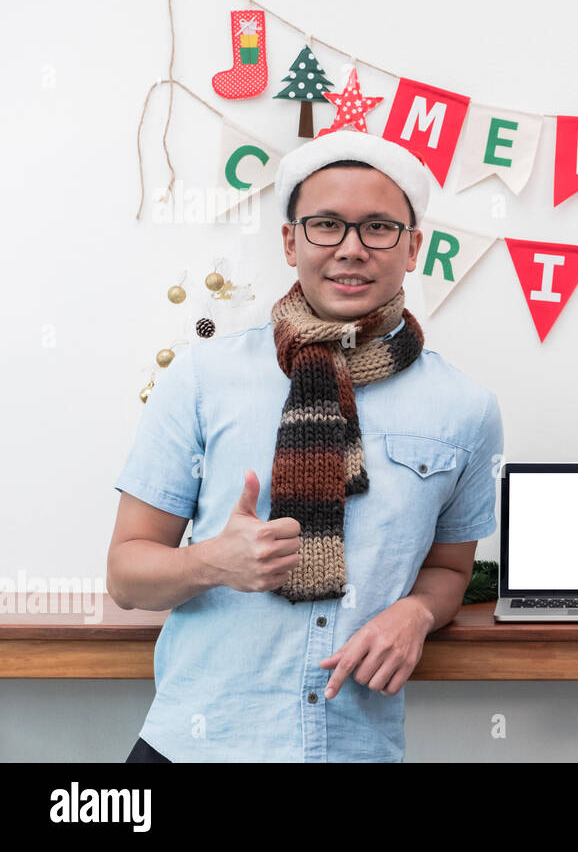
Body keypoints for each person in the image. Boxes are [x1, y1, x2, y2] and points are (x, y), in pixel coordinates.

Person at [108, 129, 504, 762]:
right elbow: (128, 575)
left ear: (413, 248)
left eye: (379, 228)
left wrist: (418, 615)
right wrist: (213, 562)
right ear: (291, 242)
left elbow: (450, 571)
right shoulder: (203, 378)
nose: (352, 249)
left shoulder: (466, 408)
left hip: (353, 747)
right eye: (326, 226)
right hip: (195, 748)